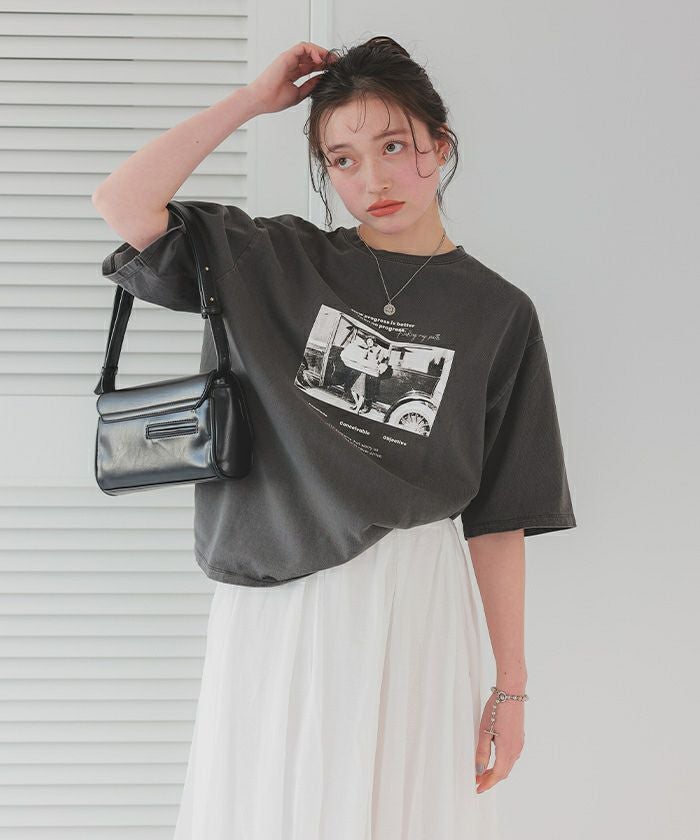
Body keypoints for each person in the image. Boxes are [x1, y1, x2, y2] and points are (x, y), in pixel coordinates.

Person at [93, 36, 577, 840]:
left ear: (440, 146)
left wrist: (512, 687)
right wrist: (252, 101)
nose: (373, 180)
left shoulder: (499, 314)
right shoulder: (273, 261)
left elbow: (500, 516)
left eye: (394, 147)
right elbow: (123, 202)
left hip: (414, 599)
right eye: (342, 159)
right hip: (280, 597)